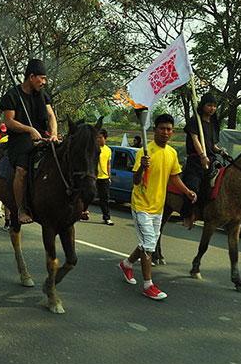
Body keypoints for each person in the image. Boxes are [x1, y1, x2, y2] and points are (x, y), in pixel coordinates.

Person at [118, 114, 197, 301]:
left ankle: (127, 264)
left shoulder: (171, 153)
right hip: (141, 205)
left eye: (169, 129)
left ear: (173, 132)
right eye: (162, 128)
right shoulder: (144, 152)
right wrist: (141, 168)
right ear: (155, 130)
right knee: (149, 245)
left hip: (158, 206)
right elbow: (136, 181)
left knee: (148, 242)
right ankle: (148, 285)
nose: (166, 132)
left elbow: (174, 177)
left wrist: (187, 192)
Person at [0, 58, 58, 224]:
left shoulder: (43, 96)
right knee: (21, 170)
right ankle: (20, 209)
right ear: (31, 77)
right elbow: (9, 121)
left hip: (43, 137)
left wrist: (53, 133)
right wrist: (29, 129)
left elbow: (51, 116)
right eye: (42, 78)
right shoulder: (12, 95)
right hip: (20, 139)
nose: (44, 82)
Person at [180, 92, 223, 229]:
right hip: (196, 160)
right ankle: (187, 215)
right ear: (203, 106)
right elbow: (195, 140)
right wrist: (202, 156)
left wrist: (220, 151)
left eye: (214, 106)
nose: (212, 108)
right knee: (193, 186)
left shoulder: (214, 123)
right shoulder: (195, 121)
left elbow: (212, 145)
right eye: (209, 105)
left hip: (212, 160)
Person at [96, 129, 114, 226]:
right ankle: (82, 212)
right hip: (94, 177)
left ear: (105, 138)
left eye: (100, 137)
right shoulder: (94, 148)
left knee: (105, 199)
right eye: (97, 137)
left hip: (104, 178)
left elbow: (108, 164)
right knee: (87, 196)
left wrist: (109, 176)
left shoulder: (108, 150)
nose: (98, 139)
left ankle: (107, 218)